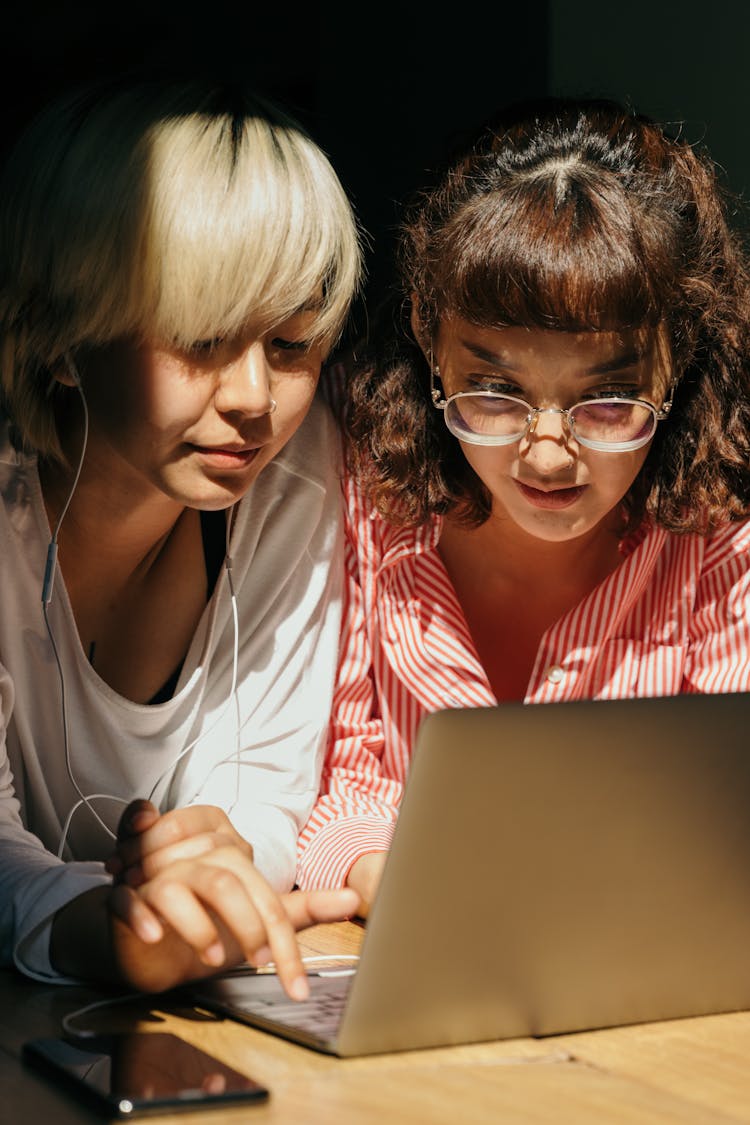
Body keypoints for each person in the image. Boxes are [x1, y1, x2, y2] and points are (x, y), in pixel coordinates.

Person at [295, 96, 750, 912]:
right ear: (429, 335)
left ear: (677, 363)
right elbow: (341, 770)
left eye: (608, 401)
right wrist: (386, 871)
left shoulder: (720, 544)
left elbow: (726, 822)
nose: (546, 452)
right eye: (495, 391)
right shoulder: (353, 478)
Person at [0, 72, 363, 995]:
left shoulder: (296, 458)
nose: (253, 399)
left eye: (291, 343)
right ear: (59, 339)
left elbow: (266, 799)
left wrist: (225, 862)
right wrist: (120, 932)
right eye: (202, 338)